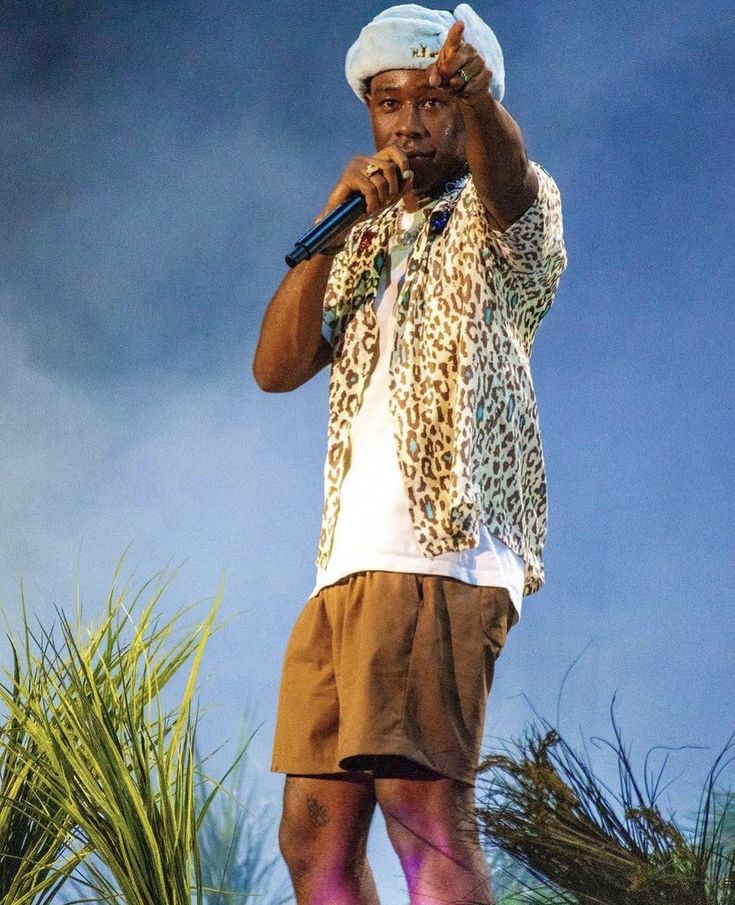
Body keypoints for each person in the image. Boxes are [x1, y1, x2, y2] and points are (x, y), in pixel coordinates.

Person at [253, 4, 567, 903]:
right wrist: (333, 227)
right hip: (345, 565)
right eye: (390, 103)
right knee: (311, 837)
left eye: (434, 101)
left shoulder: (508, 211)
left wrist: (482, 108)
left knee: (423, 819)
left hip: (440, 550)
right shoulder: (367, 235)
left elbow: (505, 181)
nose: (409, 123)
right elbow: (276, 369)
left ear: (470, 108)